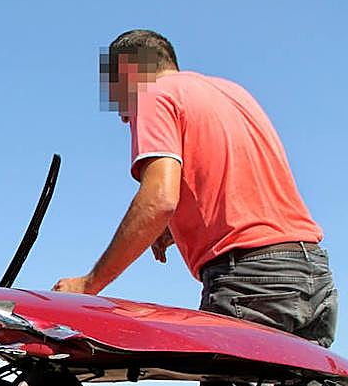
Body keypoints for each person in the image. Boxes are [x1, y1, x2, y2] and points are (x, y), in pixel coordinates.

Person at [53, 30, 336, 356]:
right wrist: (175, 229)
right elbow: (240, 182)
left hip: (251, 281)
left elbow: (159, 199)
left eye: (116, 95)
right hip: (310, 274)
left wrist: (89, 284)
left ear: (129, 71)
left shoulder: (153, 93)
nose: (121, 115)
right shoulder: (234, 93)